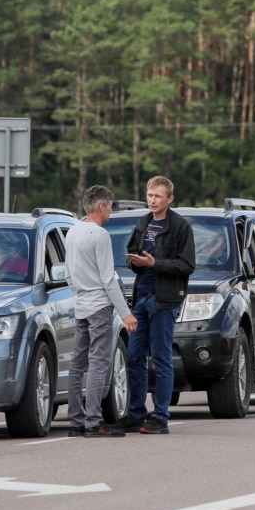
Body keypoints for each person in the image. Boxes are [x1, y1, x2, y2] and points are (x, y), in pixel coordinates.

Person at [114, 176, 195, 435]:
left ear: (170, 199)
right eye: (150, 195)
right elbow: (131, 253)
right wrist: (135, 262)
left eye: (158, 196)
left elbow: (187, 265)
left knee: (161, 357)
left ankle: (160, 416)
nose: (152, 200)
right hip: (142, 297)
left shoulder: (180, 227)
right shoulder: (143, 222)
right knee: (135, 356)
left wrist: (155, 264)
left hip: (164, 300)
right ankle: (136, 413)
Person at [65, 185, 138, 438]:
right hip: (99, 307)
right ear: (101, 206)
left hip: (81, 305)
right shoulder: (100, 235)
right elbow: (108, 279)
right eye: (110, 204)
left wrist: (81, 294)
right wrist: (126, 312)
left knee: (77, 364)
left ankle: (75, 421)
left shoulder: (72, 232)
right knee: (98, 363)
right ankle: (94, 422)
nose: (111, 209)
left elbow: (68, 275)